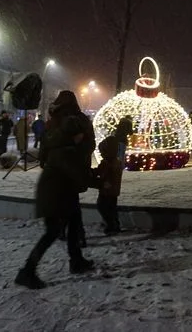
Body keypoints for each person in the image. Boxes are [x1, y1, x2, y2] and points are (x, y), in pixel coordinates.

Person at [14, 115, 95, 289]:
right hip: (55, 199)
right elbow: (78, 175)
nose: (83, 137)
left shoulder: (65, 147)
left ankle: (77, 261)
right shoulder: (65, 151)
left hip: (64, 195)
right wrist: (101, 182)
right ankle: (27, 271)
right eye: (81, 134)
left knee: (74, 225)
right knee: (51, 234)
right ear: (75, 134)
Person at [50, 91, 95, 248]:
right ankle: (74, 234)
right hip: (74, 168)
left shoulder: (56, 119)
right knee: (71, 201)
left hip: (61, 168)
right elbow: (90, 145)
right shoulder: (81, 119)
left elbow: (48, 142)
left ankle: (69, 232)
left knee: (65, 201)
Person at [94, 136, 123, 234]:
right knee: (112, 208)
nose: (101, 154)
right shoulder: (115, 162)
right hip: (112, 190)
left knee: (102, 207)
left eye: (102, 152)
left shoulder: (108, 163)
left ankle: (111, 225)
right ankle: (115, 225)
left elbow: (101, 173)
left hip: (107, 190)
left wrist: (94, 174)